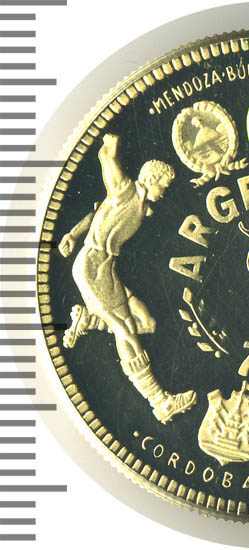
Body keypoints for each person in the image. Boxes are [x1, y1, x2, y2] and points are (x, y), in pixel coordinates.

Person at [59, 133, 196, 424]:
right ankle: (159, 402)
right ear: (152, 178)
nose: (165, 192)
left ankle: (90, 321)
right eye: (164, 186)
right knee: (125, 330)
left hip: (107, 269)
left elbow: (96, 212)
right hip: (93, 267)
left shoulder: (142, 206)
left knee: (146, 322)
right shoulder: (125, 191)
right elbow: (108, 162)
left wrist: (73, 233)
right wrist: (111, 147)